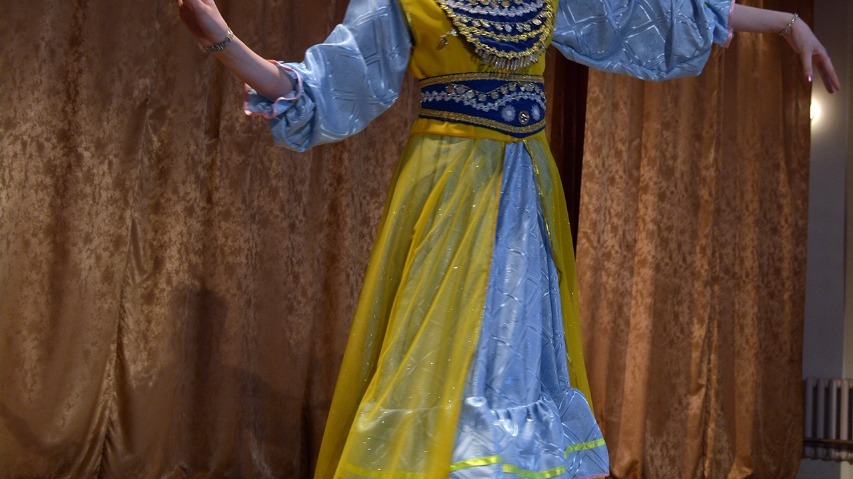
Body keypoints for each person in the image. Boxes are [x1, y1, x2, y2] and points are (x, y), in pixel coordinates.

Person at [177, 1, 840, 477]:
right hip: (448, 194)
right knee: (439, 358)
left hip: (525, 195)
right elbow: (328, 83)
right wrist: (223, 42)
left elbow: (656, 13)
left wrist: (786, 23)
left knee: (518, 362)